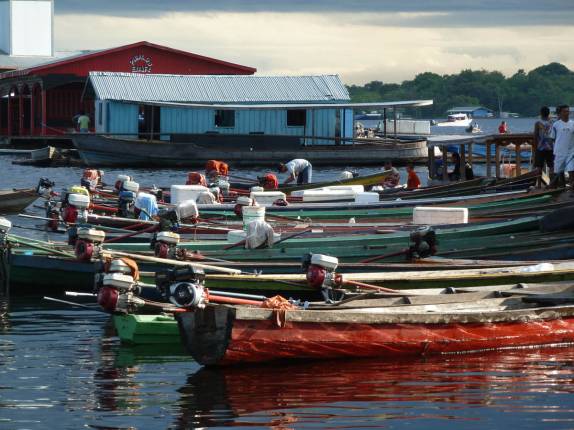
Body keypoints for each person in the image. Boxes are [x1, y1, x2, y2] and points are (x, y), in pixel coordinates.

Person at [550, 105, 574, 194]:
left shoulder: (573, 123)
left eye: (568, 111)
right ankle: (558, 190)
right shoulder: (556, 125)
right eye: (564, 111)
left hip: (571, 152)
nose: (567, 113)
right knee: (558, 172)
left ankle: (572, 190)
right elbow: (552, 138)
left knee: (572, 171)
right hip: (559, 152)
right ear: (560, 113)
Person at [533, 106, 554, 188]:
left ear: (541, 113)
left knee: (539, 167)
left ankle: (538, 185)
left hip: (540, 147)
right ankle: (552, 184)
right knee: (551, 166)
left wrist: (535, 147)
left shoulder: (538, 123)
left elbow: (535, 135)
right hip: (550, 147)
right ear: (549, 113)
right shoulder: (552, 122)